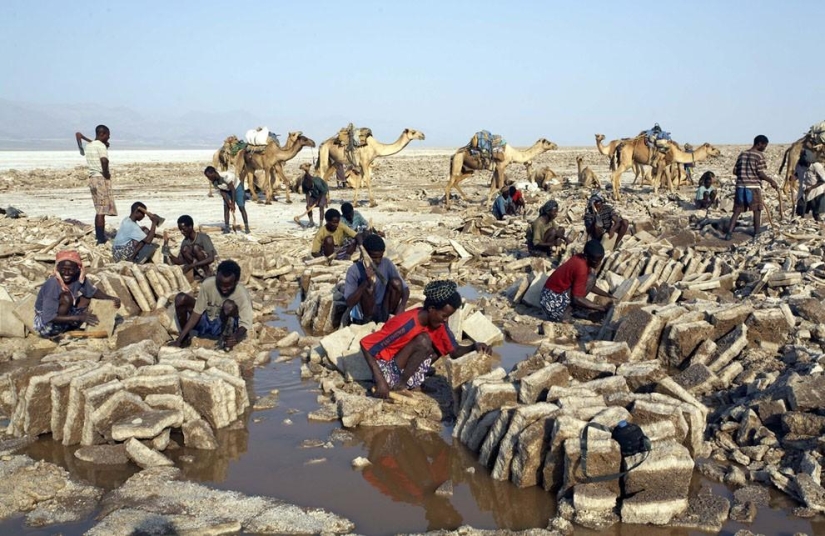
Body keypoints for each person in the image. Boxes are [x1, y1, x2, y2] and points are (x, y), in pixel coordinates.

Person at [359, 280, 491, 399]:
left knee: (440, 346)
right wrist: (380, 381)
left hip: (402, 370)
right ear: (432, 309)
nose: (445, 320)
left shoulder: (438, 323)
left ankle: (413, 382)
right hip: (385, 370)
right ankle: (400, 385)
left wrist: (474, 346)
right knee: (424, 340)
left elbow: (454, 351)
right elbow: (366, 345)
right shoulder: (407, 323)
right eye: (444, 315)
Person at [169, 260, 253, 350]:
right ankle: (185, 340)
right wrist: (180, 339)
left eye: (228, 286)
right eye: (220, 284)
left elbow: (245, 323)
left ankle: (224, 339)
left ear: (236, 282)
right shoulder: (207, 284)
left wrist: (235, 337)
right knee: (180, 298)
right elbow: (196, 313)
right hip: (208, 321)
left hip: (223, 325)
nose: (223, 289)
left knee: (229, 305)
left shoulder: (241, 293)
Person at [34, 250, 120, 338]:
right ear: (58, 268)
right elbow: (49, 317)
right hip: (47, 325)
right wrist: (79, 318)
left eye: (70, 270)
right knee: (66, 297)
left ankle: (73, 326)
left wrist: (111, 299)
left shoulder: (78, 277)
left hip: (63, 316)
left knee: (87, 299)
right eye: (63, 269)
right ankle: (60, 329)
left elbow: (92, 292)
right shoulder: (53, 284)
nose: (66, 273)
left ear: (77, 269)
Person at [540, 240, 615, 322]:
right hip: (551, 303)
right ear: (587, 256)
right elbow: (576, 298)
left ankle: (568, 310)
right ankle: (564, 315)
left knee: (591, 279)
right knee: (591, 279)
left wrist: (608, 296)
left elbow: (589, 285)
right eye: (596, 261)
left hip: (547, 296)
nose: (598, 264)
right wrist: (601, 308)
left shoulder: (580, 258)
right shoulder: (581, 267)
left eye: (600, 260)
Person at [343, 234, 409, 325]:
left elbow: (405, 288)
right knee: (369, 288)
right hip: (365, 313)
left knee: (396, 283)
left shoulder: (386, 263)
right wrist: (365, 282)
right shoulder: (354, 270)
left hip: (383, 308)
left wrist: (402, 305)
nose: (378, 261)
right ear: (364, 254)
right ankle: (369, 322)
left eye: (380, 257)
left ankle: (387, 319)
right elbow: (349, 302)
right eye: (374, 257)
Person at [725, 135, 779, 241]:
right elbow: (760, 173)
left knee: (737, 211)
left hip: (740, 186)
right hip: (753, 187)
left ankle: (728, 233)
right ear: (760, 144)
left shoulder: (742, 154)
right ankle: (757, 233)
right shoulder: (759, 155)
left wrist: (744, 174)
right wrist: (771, 181)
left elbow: (735, 171)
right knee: (757, 210)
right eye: (765, 145)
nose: (765, 148)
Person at [81, 125, 116, 244]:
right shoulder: (100, 146)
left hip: (92, 179)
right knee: (102, 210)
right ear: (102, 134)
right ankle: (101, 239)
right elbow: (104, 160)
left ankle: (99, 235)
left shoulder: (89, 146)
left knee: (98, 208)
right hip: (100, 178)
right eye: (107, 135)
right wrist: (106, 173)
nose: (109, 137)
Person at [163, 215, 217, 280]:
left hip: (212, 266)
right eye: (180, 230)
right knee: (185, 249)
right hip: (198, 267)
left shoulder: (203, 237)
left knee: (195, 248)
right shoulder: (185, 242)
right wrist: (167, 246)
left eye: (183, 229)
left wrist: (192, 265)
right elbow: (180, 261)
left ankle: (208, 274)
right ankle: (199, 274)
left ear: (190, 227)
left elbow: (211, 258)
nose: (182, 232)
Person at [204, 166, 249, 234]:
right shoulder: (214, 182)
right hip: (226, 190)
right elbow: (222, 192)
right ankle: (227, 228)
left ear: (214, 173)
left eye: (210, 176)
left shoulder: (226, 176)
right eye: (208, 177)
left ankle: (247, 227)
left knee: (241, 207)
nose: (209, 178)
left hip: (236, 187)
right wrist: (229, 203)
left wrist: (233, 204)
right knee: (226, 208)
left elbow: (233, 190)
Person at [794, 149, 825, 222]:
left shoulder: (817, 166)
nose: (808, 164)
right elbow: (797, 174)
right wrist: (794, 177)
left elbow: (823, 180)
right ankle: (799, 225)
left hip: (815, 192)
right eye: (807, 163)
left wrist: (811, 188)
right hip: (803, 191)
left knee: (816, 212)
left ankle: (820, 226)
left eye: (809, 163)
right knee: (800, 211)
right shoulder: (799, 164)